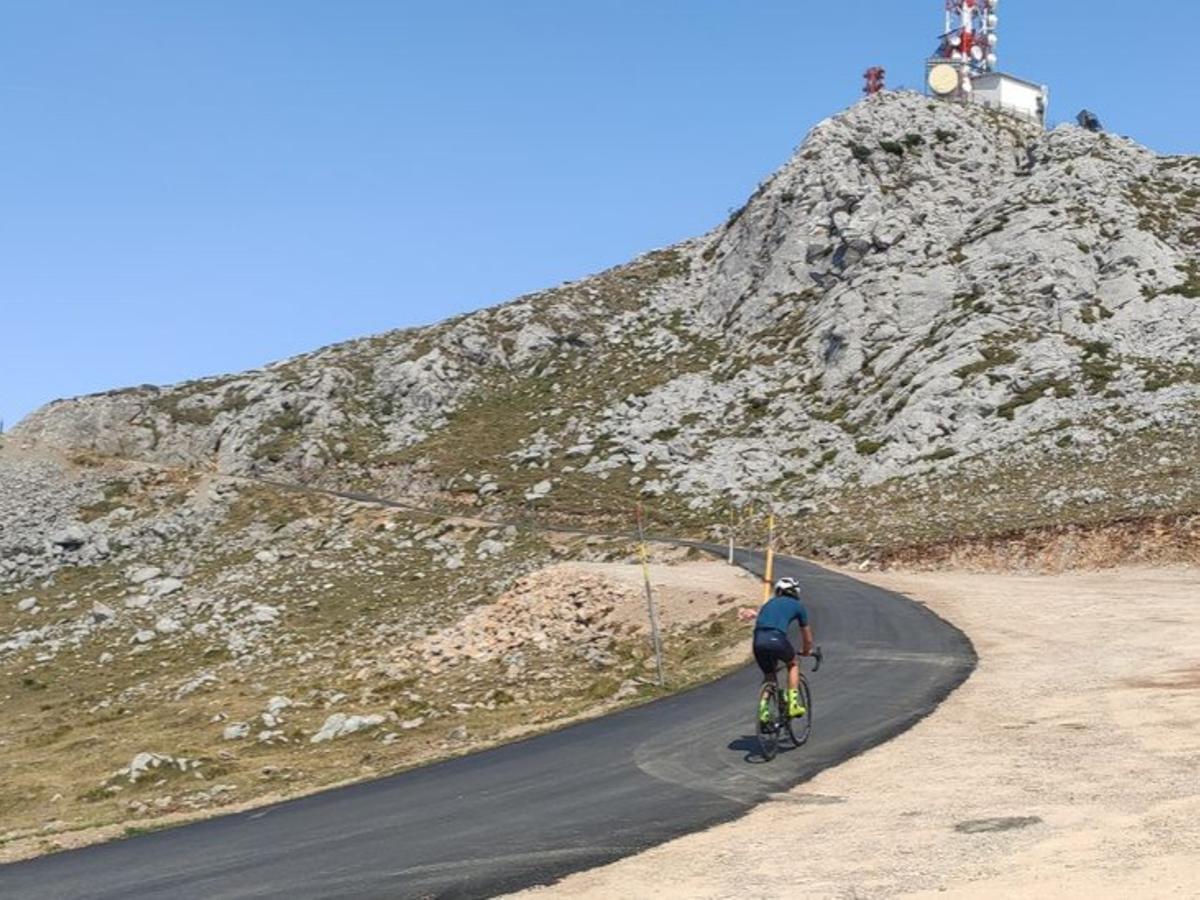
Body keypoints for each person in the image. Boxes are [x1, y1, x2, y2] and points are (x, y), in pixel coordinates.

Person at [753, 576, 814, 720]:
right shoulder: (798, 606)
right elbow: (807, 637)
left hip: (758, 640)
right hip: (777, 638)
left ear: (779, 591)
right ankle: (793, 704)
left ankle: (763, 710)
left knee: (769, 675)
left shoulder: (768, 604)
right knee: (793, 664)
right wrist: (806, 651)